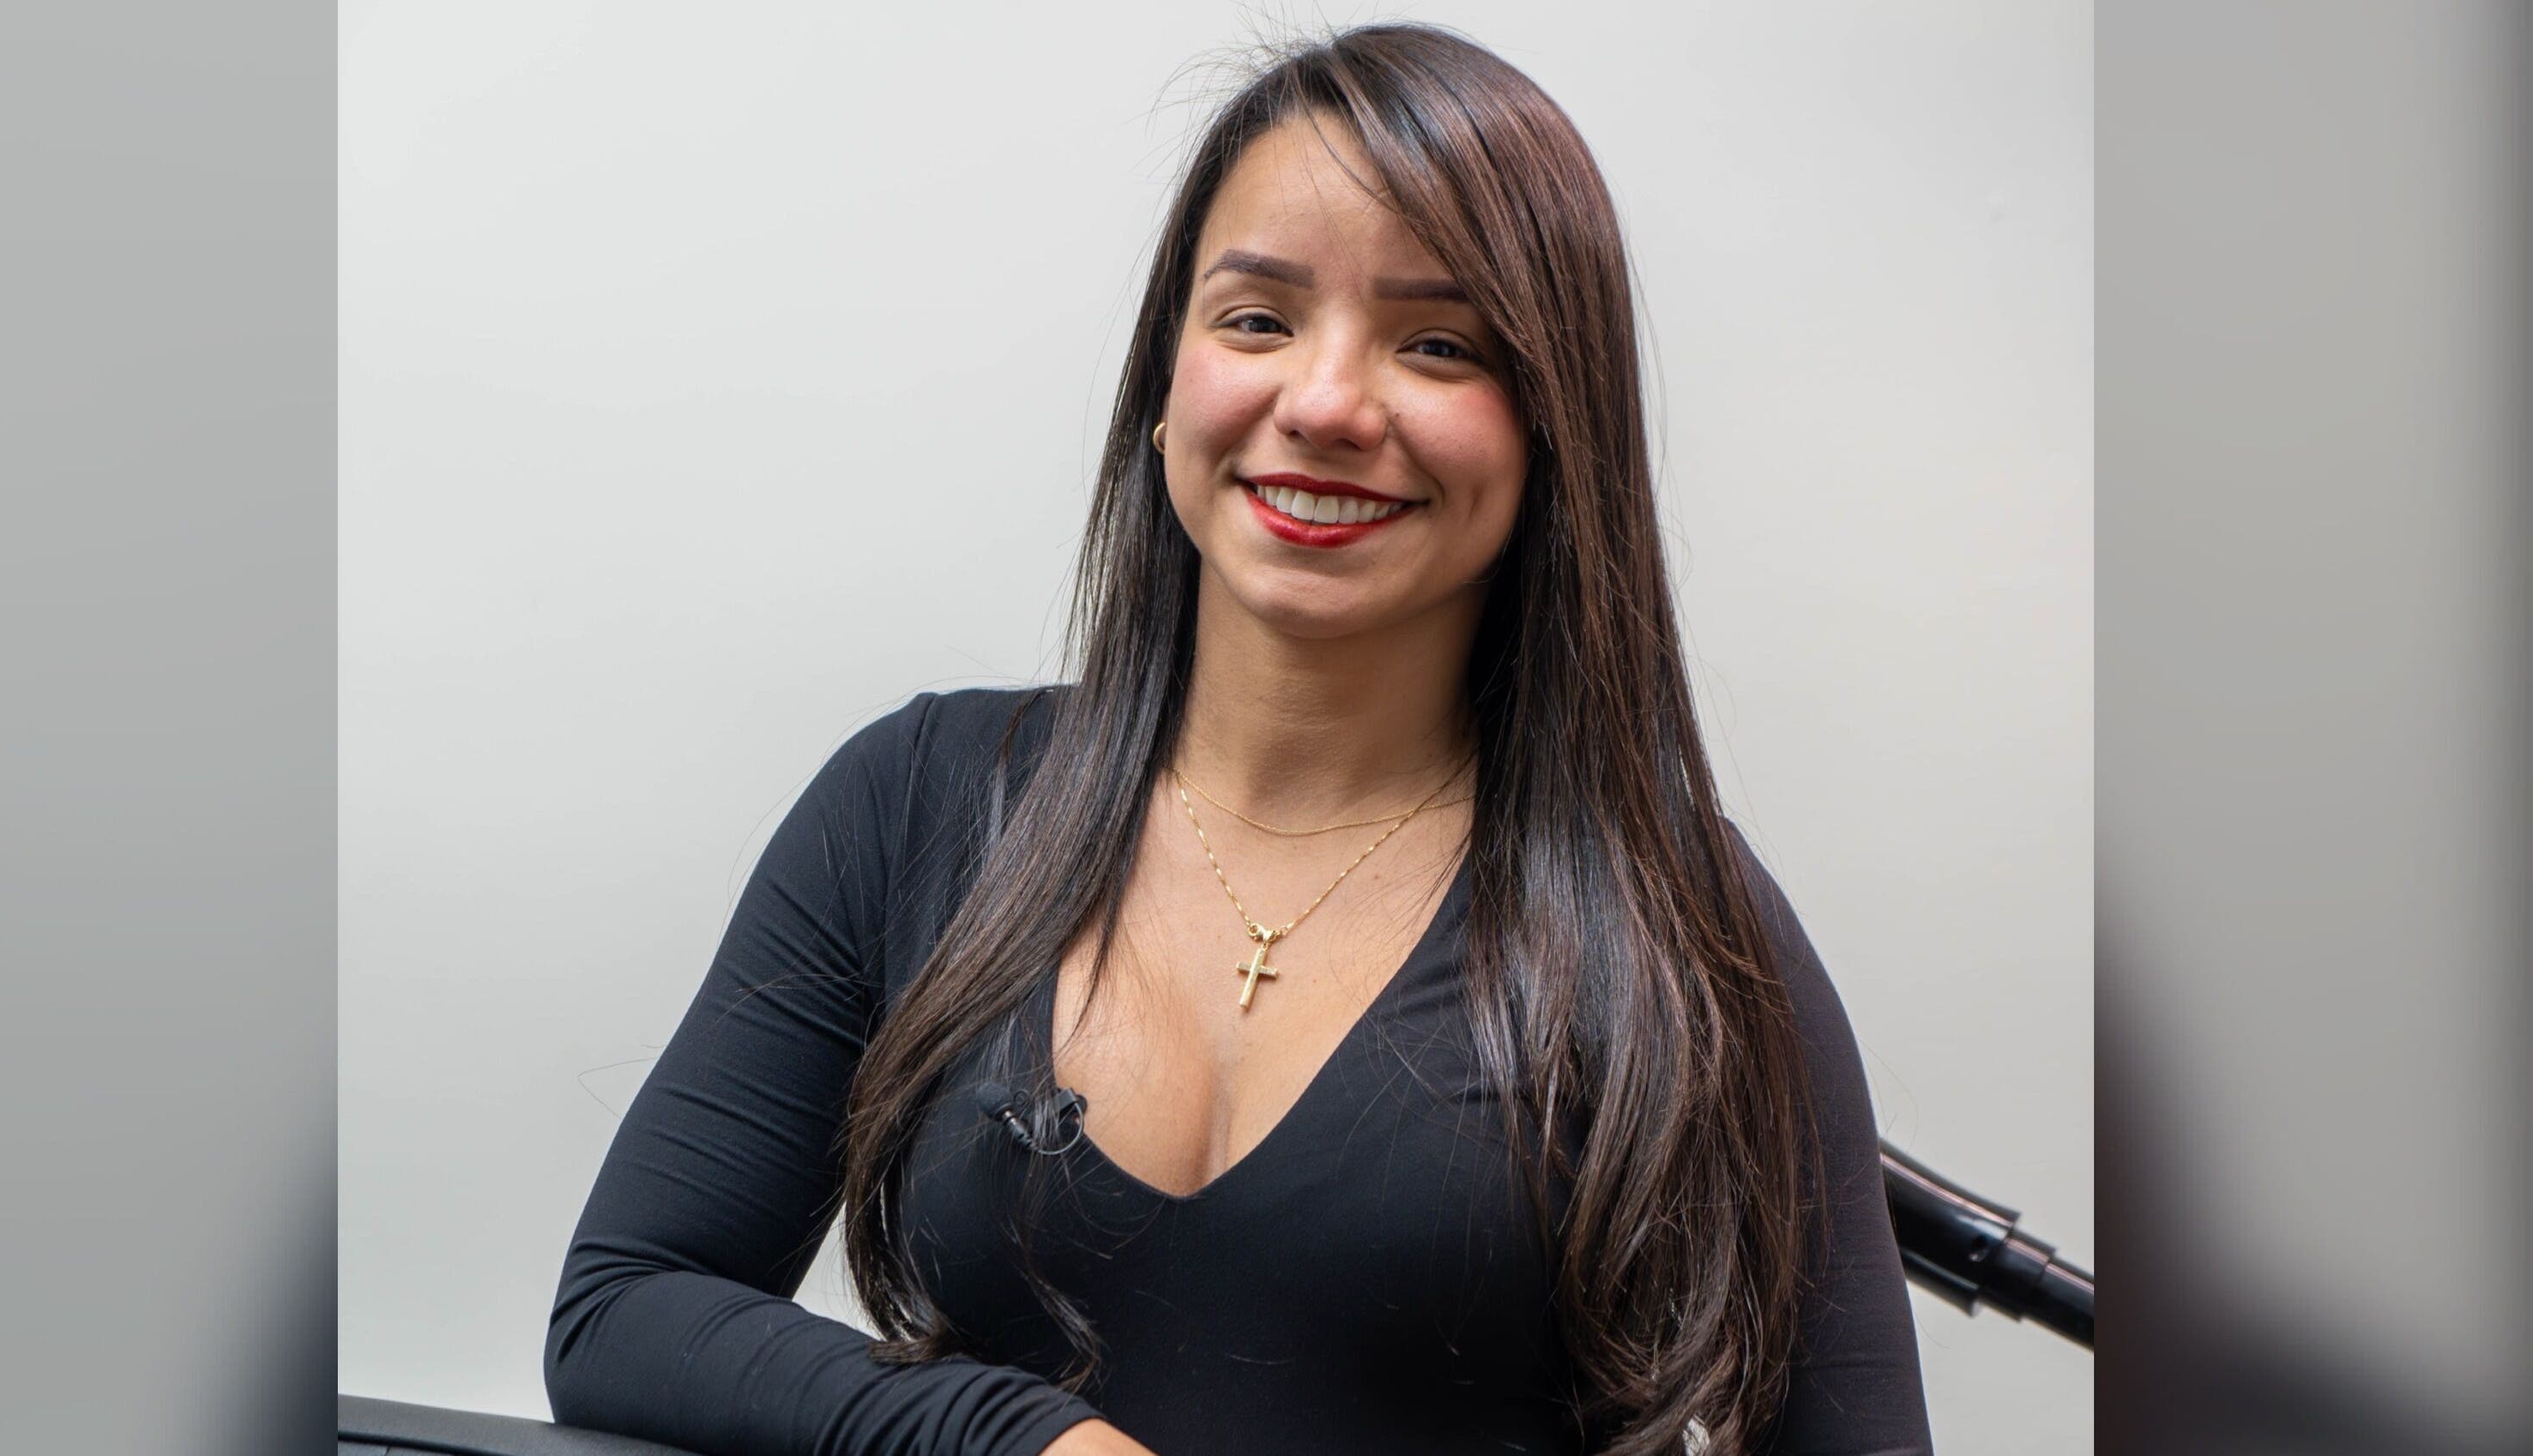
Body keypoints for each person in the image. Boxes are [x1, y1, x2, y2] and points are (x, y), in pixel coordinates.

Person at [545, 22, 1932, 1456]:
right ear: (1165, 387)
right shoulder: (919, 802)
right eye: (1258, 319)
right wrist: (1009, 1440)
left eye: (1437, 343)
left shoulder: (1682, 922)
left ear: (1553, 429)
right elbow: (628, 1307)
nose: (1323, 403)